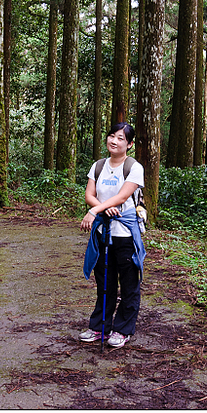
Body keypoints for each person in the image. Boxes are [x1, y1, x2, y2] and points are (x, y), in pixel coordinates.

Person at [79, 122, 145, 348]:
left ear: (129, 144)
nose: (114, 141)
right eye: (111, 136)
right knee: (104, 283)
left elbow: (123, 196)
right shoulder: (98, 166)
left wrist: (95, 209)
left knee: (128, 284)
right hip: (102, 232)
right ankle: (100, 328)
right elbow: (90, 194)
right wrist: (100, 208)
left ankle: (123, 330)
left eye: (120, 138)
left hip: (125, 234)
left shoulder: (134, 167)